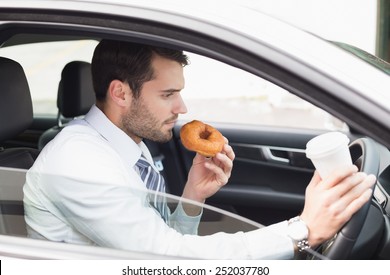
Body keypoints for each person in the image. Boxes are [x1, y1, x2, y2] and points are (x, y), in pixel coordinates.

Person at [23, 39, 376, 259]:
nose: (182, 108)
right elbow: (167, 260)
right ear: (120, 93)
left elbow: (159, 243)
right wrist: (303, 230)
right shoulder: (79, 161)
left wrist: (193, 196)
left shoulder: (127, 145)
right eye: (167, 94)